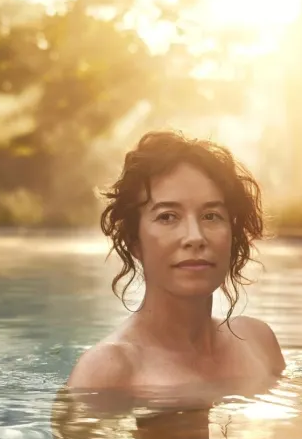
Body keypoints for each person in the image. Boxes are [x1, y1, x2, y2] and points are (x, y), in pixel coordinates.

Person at [66, 130, 286, 392]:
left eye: (211, 216)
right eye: (168, 217)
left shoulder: (258, 342)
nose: (195, 237)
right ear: (134, 241)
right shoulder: (108, 371)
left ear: (232, 233)